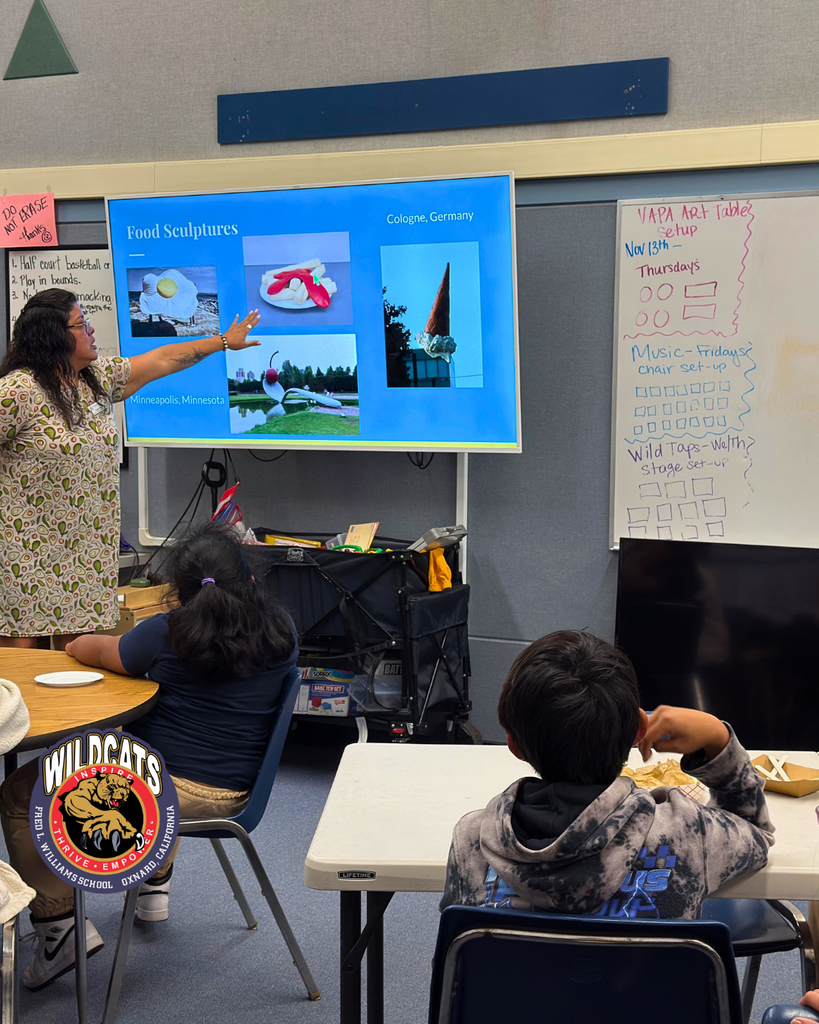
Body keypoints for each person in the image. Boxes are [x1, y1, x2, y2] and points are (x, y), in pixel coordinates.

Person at [0, 523, 298, 989]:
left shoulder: (166, 632)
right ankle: (155, 885)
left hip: (160, 797)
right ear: (251, 581)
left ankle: (58, 931)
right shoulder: (283, 631)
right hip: (239, 791)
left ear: (176, 594)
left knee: (20, 792)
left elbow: (91, 649)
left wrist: (79, 643)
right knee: (151, 757)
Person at [440, 630, 774, 919]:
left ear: (514, 744)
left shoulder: (472, 841)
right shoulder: (688, 833)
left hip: (513, 995)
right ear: (639, 730)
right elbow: (756, 834)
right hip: (647, 994)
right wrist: (717, 738)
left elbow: (459, 969)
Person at [0, 288, 261, 650]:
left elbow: (162, 360)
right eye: (80, 324)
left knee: (75, 669)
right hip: (25, 556)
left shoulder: (96, 379)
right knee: (21, 674)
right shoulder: (18, 391)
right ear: (53, 335)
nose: (91, 330)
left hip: (86, 554)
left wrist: (223, 342)